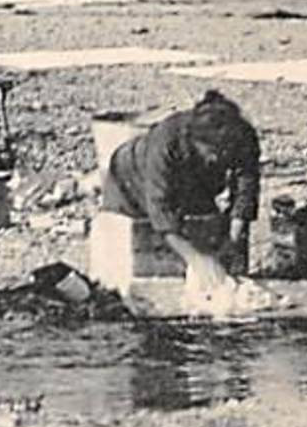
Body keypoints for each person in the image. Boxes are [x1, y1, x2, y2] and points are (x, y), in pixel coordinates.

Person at [102, 89, 260, 293]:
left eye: (224, 155)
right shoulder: (166, 141)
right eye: (212, 153)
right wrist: (197, 259)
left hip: (192, 182)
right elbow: (160, 210)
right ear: (195, 142)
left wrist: (234, 238)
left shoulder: (243, 136)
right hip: (130, 178)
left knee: (206, 231)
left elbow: (246, 187)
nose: (216, 160)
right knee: (139, 243)